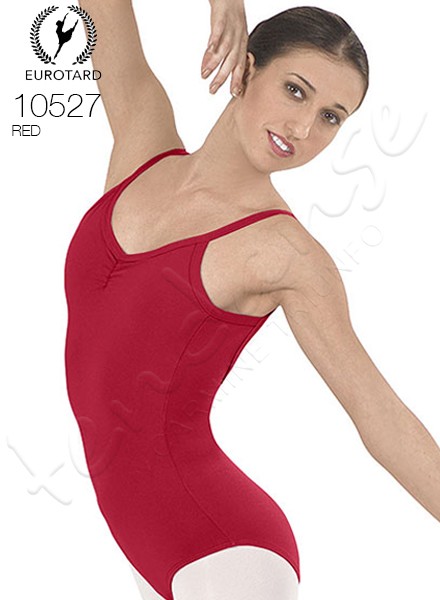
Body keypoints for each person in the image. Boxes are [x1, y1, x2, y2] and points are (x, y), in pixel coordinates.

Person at [64, 1, 440, 599]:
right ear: (245, 67)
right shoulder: (142, 141)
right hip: (138, 537)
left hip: (224, 553)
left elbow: (380, 417)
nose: (303, 129)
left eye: (331, 117)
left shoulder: (287, 254)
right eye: (295, 91)